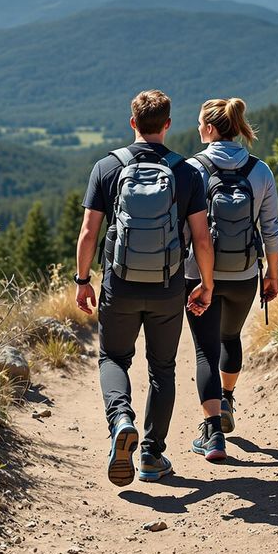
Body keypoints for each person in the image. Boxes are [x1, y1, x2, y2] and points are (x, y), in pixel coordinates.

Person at [74, 90, 216, 486]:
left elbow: (88, 233)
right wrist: (206, 284)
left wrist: (83, 281)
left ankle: (121, 419)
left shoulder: (106, 167)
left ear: (132, 122)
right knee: (162, 369)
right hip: (168, 287)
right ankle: (152, 455)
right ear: (168, 124)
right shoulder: (187, 173)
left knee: (113, 359)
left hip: (119, 284)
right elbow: (202, 239)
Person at [183, 97, 278, 462]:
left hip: (198, 274)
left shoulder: (192, 168)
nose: (197, 129)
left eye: (199, 124)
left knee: (205, 349)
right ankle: (226, 399)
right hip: (244, 273)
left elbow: (182, 227)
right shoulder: (260, 171)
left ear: (209, 128)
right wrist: (272, 273)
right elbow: (271, 228)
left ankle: (212, 436)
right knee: (229, 337)